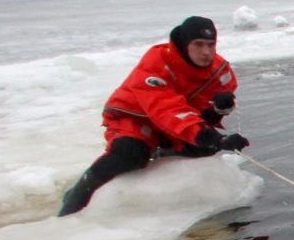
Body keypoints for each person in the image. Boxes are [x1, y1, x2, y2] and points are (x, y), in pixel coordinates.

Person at [57, 16, 249, 216]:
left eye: (211, 45)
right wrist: (216, 138)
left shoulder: (219, 70)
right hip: (134, 117)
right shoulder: (156, 64)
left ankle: (162, 152)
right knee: (130, 153)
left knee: (202, 148)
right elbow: (168, 110)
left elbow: (201, 111)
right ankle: (76, 198)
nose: (206, 52)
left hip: (175, 123)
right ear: (185, 45)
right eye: (198, 44)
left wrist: (218, 109)